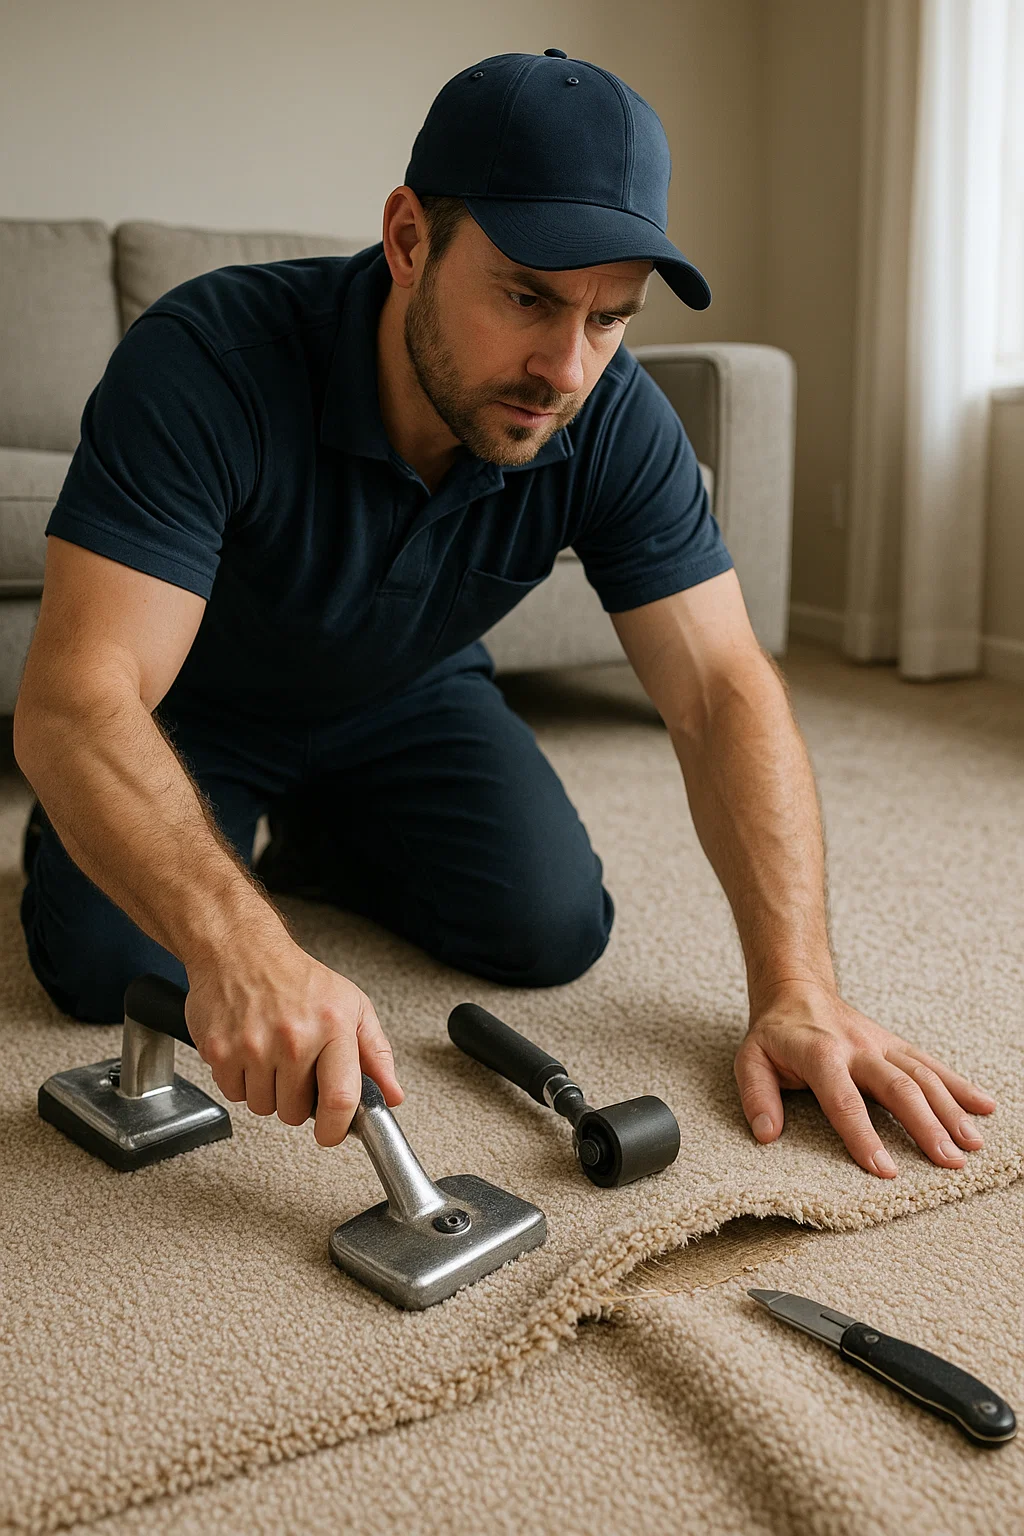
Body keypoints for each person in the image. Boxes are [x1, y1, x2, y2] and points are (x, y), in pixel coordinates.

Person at [15, 49, 994, 1176]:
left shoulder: (608, 413)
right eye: (528, 297)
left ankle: (322, 840)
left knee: (548, 931)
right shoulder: (206, 360)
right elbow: (72, 701)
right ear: (408, 240)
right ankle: (187, 846)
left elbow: (724, 689)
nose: (562, 367)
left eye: (607, 318)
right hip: (192, 712)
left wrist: (800, 990)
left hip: (408, 695)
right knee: (106, 964)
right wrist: (243, 947)